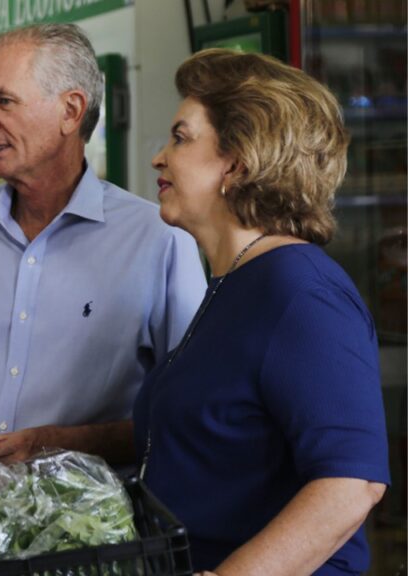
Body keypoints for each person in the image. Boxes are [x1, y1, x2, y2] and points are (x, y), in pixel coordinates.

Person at [0, 23, 207, 472]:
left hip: (97, 533)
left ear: (70, 111)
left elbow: (189, 411)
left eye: (3, 101)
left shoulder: (159, 241)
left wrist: (58, 445)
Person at [134, 49, 389, 575]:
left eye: (181, 138)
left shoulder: (302, 294)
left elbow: (351, 484)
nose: (160, 157)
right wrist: (48, 443)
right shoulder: (236, 280)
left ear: (238, 163)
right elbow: (213, 425)